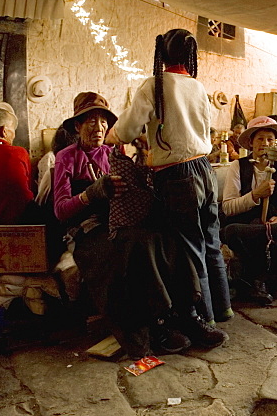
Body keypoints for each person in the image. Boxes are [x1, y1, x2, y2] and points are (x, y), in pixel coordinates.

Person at [54, 92, 218, 356]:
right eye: (90, 122)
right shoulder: (66, 158)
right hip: (90, 229)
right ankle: (155, 326)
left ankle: (187, 315)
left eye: (103, 122)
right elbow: (60, 211)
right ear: (77, 126)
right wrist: (92, 193)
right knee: (134, 247)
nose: (99, 128)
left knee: (167, 237)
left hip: (121, 220)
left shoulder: (114, 153)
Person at [107, 28, 232, 325]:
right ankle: (224, 307)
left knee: (190, 250)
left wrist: (113, 135)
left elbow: (126, 131)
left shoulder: (156, 85)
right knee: (210, 242)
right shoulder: (198, 87)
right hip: (205, 170)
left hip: (177, 177)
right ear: (191, 55)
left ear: (161, 53)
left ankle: (205, 319)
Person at [221, 116, 277, 304]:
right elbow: (228, 207)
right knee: (233, 231)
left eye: (270, 139)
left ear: (276, 144)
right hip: (248, 226)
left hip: (274, 225)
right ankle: (255, 282)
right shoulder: (238, 166)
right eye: (260, 139)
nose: (265, 144)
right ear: (251, 143)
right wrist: (255, 195)